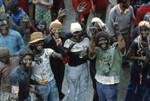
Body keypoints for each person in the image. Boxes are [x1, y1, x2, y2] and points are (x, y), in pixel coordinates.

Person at [88, 28, 125, 101]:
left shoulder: (115, 49)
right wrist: (92, 37)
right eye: (100, 42)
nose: (102, 44)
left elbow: (122, 46)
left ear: (108, 41)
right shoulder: (98, 50)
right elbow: (91, 50)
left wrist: (118, 32)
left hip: (111, 84)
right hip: (99, 83)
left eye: (104, 41)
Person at [28, 32, 66, 101]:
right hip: (40, 87)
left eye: (41, 42)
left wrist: (59, 46)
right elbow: (26, 78)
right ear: (33, 44)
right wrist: (38, 82)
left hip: (52, 83)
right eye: (37, 42)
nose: (39, 44)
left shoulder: (48, 51)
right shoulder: (30, 57)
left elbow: (63, 57)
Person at [124, 21, 150, 101]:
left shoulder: (149, 41)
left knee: (141, 87)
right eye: (143, 31)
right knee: (132, 85)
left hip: (146, 68)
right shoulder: (136, 42)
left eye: (147, 31)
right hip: (136, 67)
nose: (145, 33)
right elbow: (128, 56)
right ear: (139, 31)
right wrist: (141, 58)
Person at [63, 22, 89, 101]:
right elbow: (64, 60)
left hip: (84, 67)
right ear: (71, 33)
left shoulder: (86, 40)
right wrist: (69, 49)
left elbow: (91, 53)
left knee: (83, 88)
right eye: (75, 33)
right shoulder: (67, 42)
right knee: (72, 90)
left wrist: (87, 55)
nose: (77, 35)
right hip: (73, 69)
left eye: (79, 32)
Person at [108, 0, 135, 64]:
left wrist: (131, 32)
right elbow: (110, 25)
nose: (129, 3)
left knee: (126, 48)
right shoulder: (113, 11)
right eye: (127, 2)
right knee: (118, 50)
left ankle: (125, 60)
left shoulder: (130, 9)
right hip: (118, 35)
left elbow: (132, 21)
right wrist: (113, 36)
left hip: (127, 33)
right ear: (121, 3)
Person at [44, 19, 65, 100]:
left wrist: (60, 45)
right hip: (50, 66)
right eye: (54, 29)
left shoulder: (63, 37)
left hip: (60, 66)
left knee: (59, 85)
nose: (56, 31)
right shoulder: (46, 40)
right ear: (50, 31)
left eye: (58, 29)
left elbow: (64, 56)